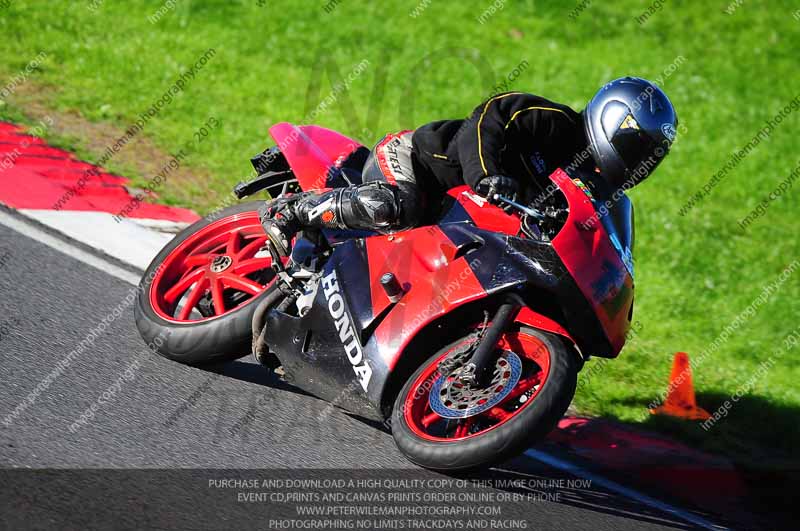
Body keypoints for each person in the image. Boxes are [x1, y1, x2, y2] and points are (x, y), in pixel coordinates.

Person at [260, 76, 677, 256]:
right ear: (611, 120)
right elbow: (488, 119)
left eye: (649, 156)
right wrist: (486, 176)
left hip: (455, 226)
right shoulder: (553, 122)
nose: (639, 161)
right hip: (417, 163)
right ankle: (291, 211)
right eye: (636, 146)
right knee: (397, 206)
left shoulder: (585, 188)